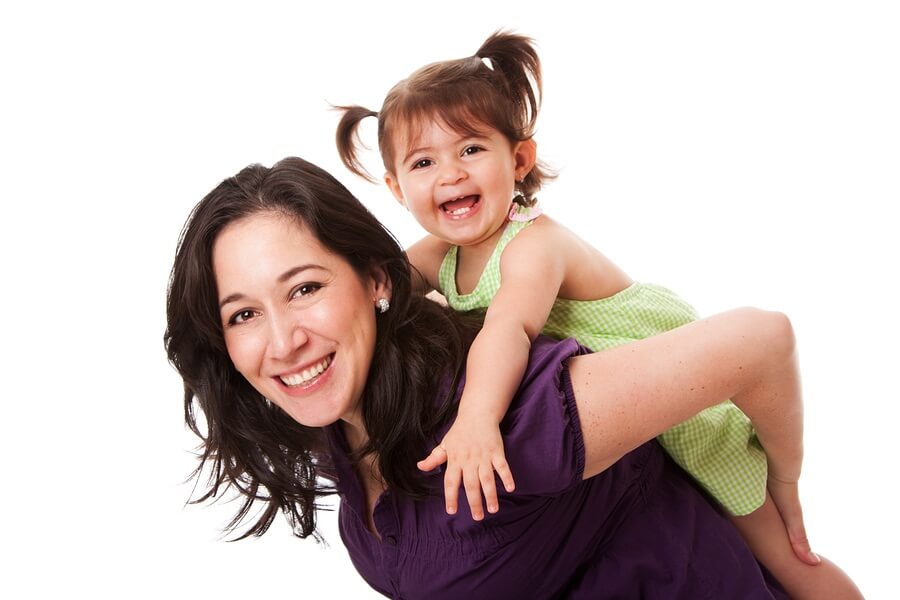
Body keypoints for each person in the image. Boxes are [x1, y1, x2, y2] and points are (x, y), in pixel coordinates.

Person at [165, 157, 860, 598]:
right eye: (243, 314)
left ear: (376, 279)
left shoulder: (516, 420)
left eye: (306, 288)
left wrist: (784, 480)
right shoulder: (338, 423)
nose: (283, 340)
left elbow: (760, 341)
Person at [333, 32, 861, 598]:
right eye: (423, 162)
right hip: (619, 426)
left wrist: (476, 420)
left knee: (782, 553)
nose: (450, 174)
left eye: (470, 150)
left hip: (687, 407)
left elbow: (508, 328)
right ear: (395, 187)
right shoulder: (440, 255)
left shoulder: (533, 245)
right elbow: (375, 289)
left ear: (519, 158)